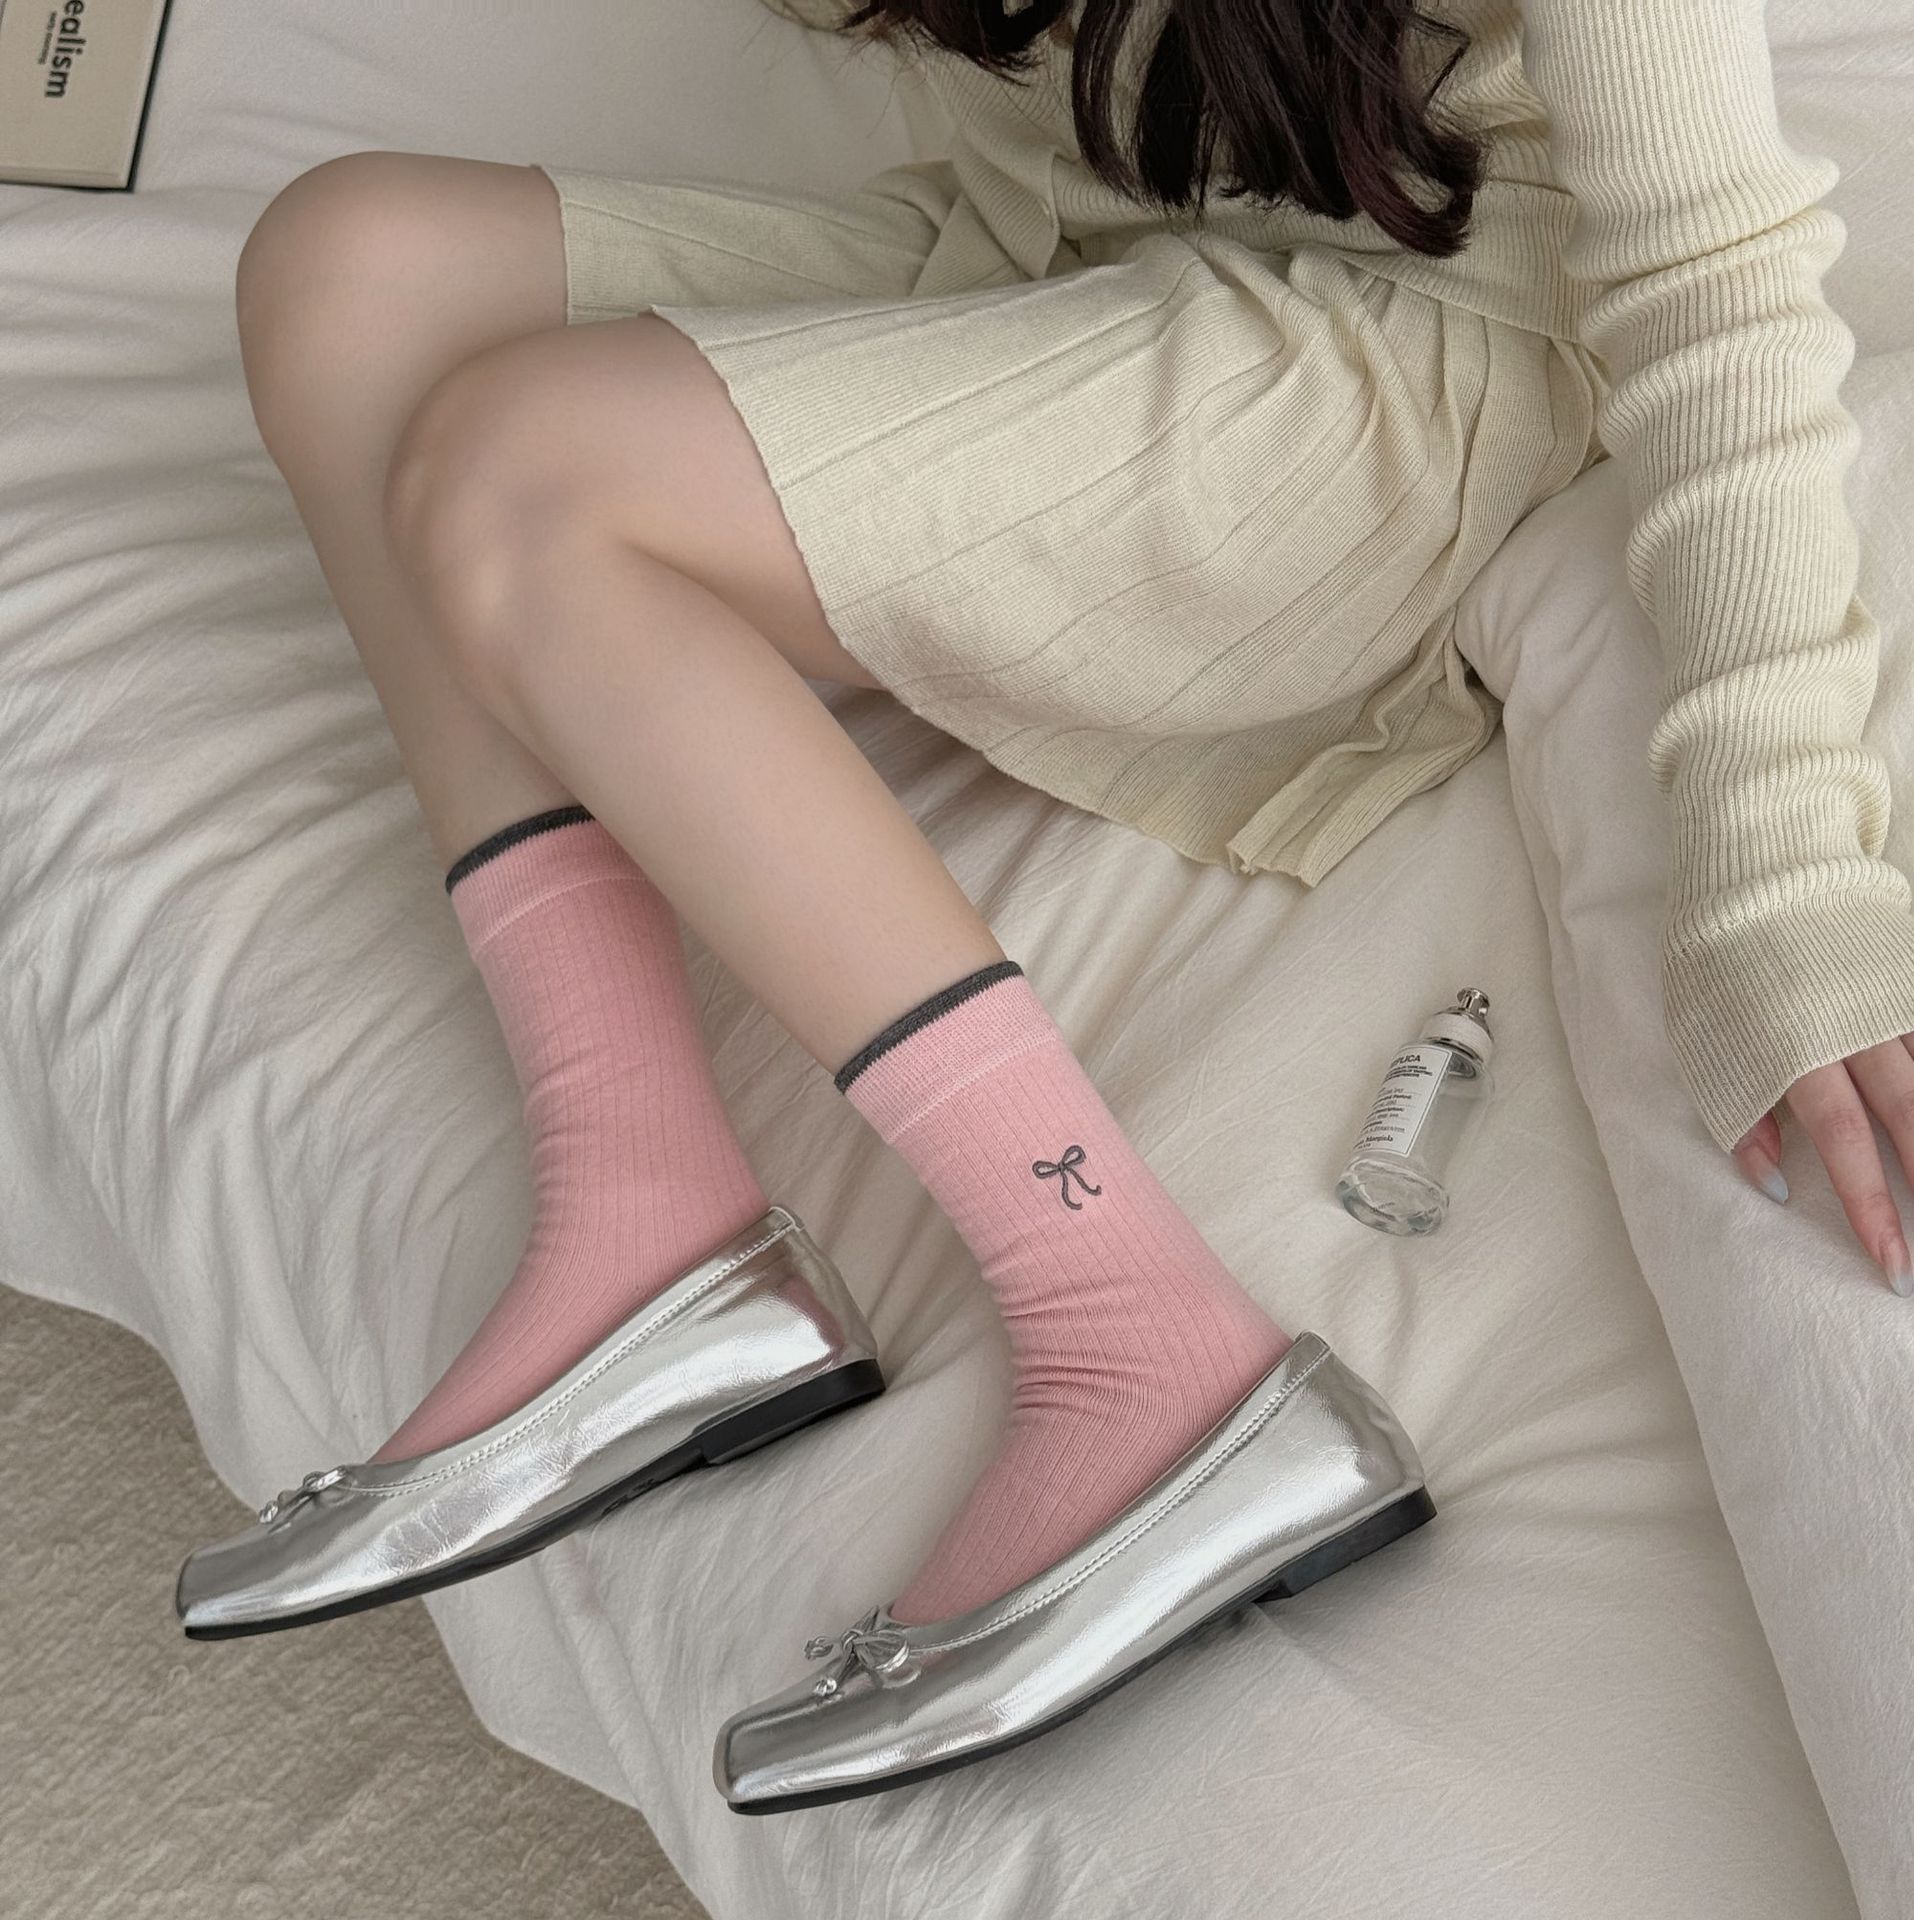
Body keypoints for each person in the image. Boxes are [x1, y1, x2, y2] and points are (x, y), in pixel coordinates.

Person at [175, 0, 1914, 1806]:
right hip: (1067, 252)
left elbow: (1713, 279)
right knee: (350, 271)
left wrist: (1780, 869)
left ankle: (1150, 1347)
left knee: (522, 478)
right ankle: (648, 1218)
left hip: (1393, 363)